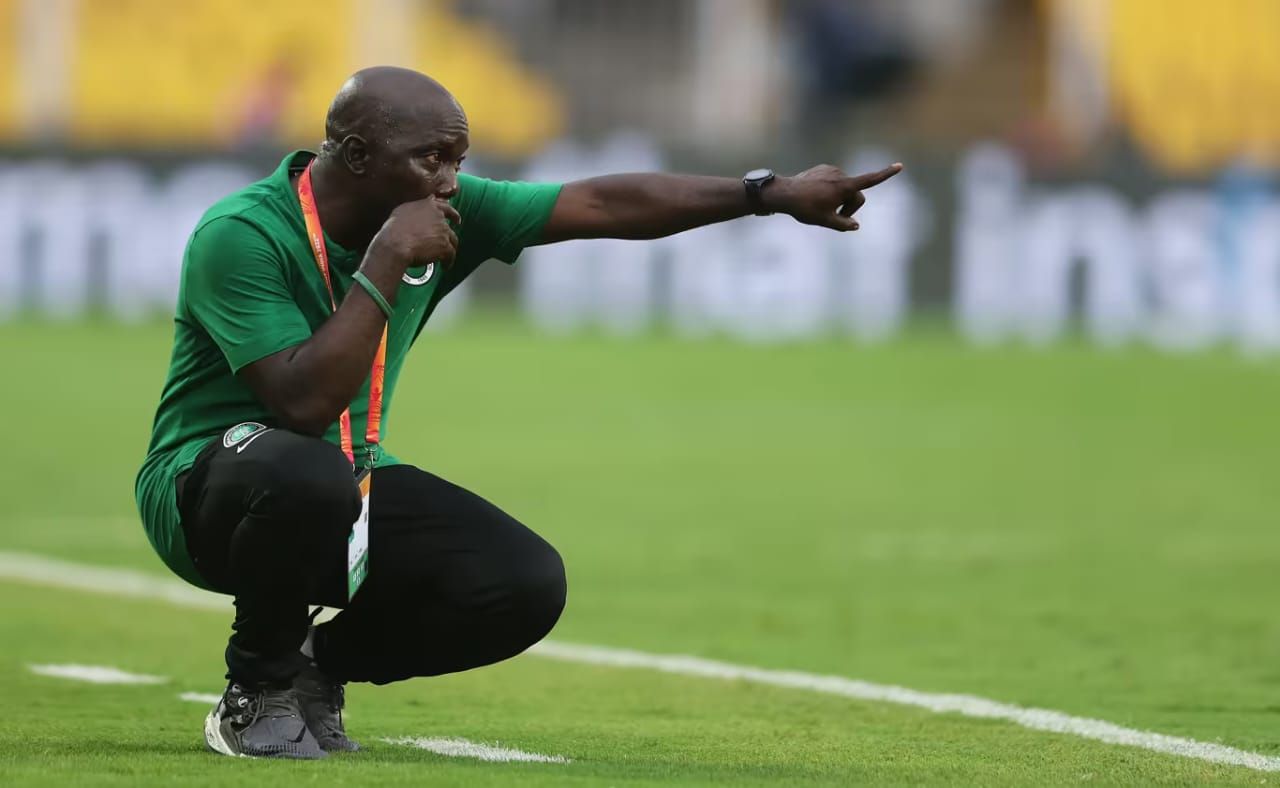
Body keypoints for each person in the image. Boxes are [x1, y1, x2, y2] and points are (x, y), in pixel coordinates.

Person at [134, 66, 903, 760]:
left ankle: (315, 668)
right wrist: (387, 260)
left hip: (342, 482)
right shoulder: (243, 233)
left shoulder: (442, 210)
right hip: (207, 491)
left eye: (458, 159)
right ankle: (254, 694)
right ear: (358, 155)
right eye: (431, 158)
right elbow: (302, 404)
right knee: (306, 470)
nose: (449, 181)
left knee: (521, 584)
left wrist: (766, 195)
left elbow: (601, 203)